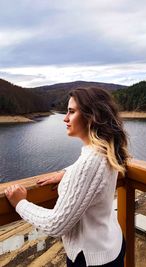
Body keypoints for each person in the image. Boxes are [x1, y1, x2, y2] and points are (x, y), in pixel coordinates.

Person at [5, 86, 128, 267]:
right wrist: (66, 172)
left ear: (91, 116)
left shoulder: (90, 162)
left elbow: (56, 225)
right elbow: (87, 172)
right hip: (111, 245)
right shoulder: (106, 150)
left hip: (90, 259)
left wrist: (20, 203)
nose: (65, 118)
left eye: (71, 112)